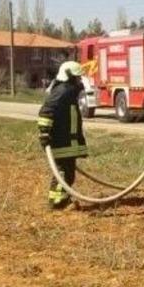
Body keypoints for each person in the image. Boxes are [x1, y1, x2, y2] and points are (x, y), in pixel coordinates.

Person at [38, 61, 88, 210]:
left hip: (67, 141)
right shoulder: (62, 91)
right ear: (68, 76)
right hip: (61, 142)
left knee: (67, 173)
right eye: (77, 77)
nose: (80, 80)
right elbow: (46, 111)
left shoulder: (68, 91)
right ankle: (57, 203)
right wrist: (44, 132)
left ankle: (62, 200)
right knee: (63, 173)